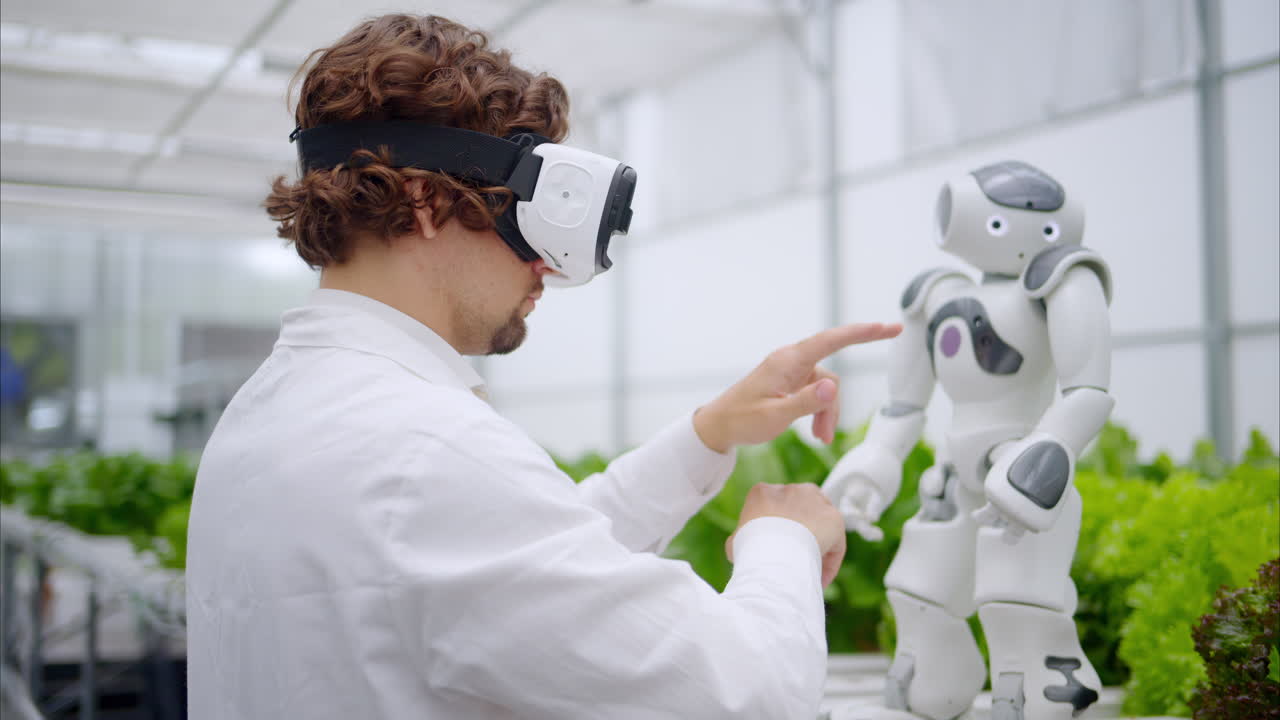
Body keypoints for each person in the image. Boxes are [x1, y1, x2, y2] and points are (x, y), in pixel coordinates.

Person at [185, 14, 900, 720]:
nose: (547, 266)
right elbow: (755, 691)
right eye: (521, 211)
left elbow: (517, 571)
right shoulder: (428, 448)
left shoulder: (269, 415)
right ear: (426, 200)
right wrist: (784, 536)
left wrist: (708, 434)